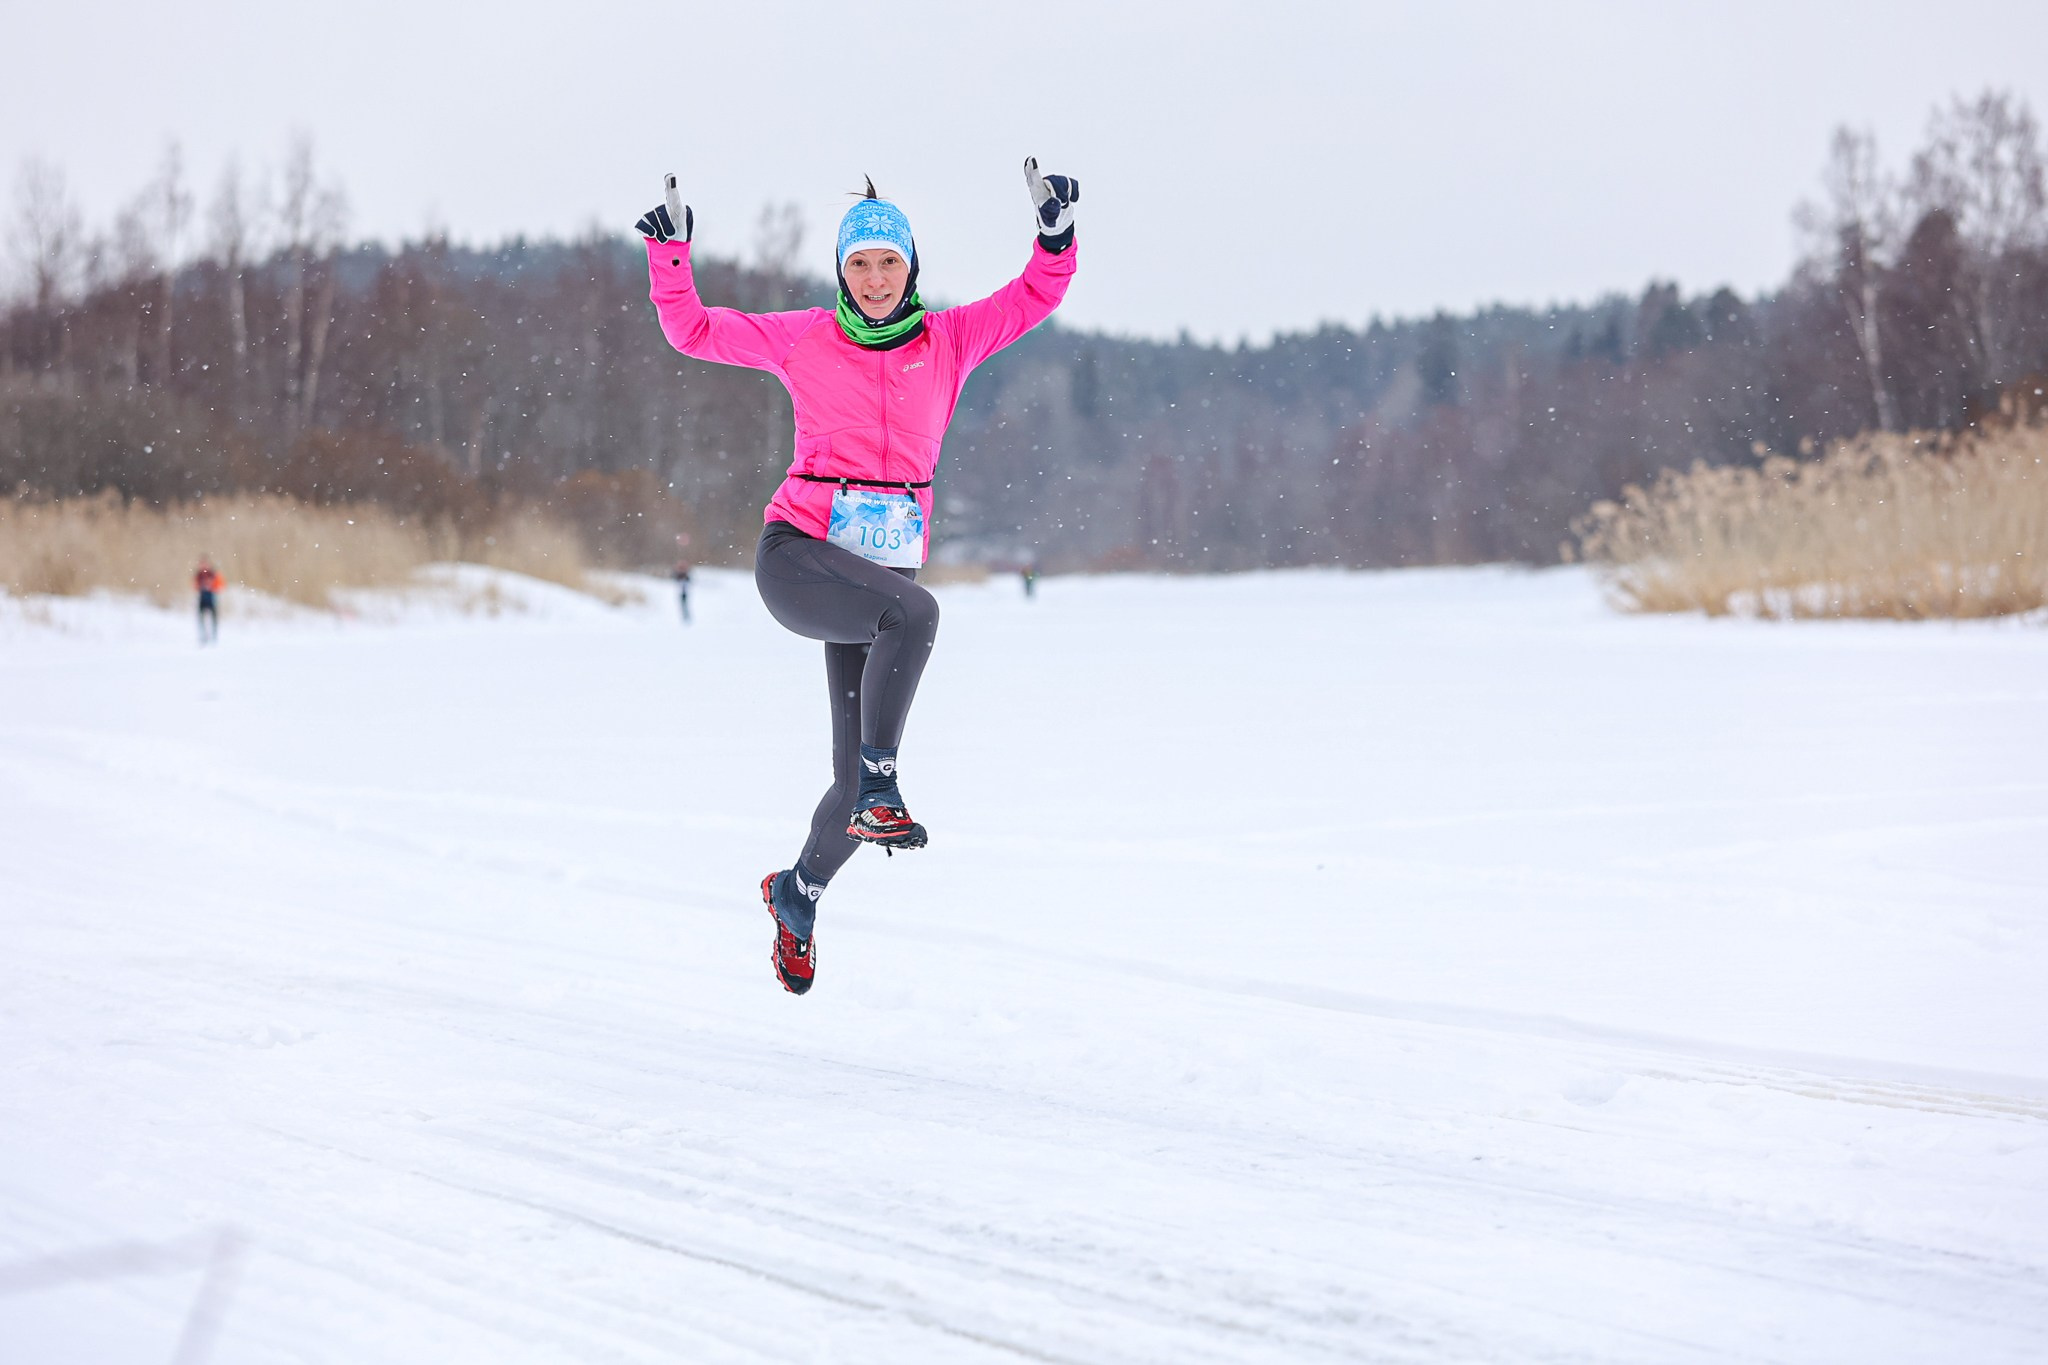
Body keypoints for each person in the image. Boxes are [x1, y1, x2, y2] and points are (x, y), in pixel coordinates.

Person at [637, 159, 1079, 994]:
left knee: (851, 778)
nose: (875, 281)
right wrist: (671, 260)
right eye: (858, 265)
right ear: (840, 273)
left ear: (912, 269)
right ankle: (883, 782)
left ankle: (797, 892)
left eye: (889, 264)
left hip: (873, 588)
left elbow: (1034, 296)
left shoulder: (947, 343)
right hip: (799, 557)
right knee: (915, 618)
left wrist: (1053, 237)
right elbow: (694, 330)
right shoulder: (806, 337)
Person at [194, 556, 223, 645]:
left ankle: (214, 636)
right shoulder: (198, 575)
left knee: (214, 618)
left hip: (211, 598)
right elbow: (195, 586)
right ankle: (203, 636)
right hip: (202, 598)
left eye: (205, 564)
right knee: (201, 618)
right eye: (202, 564)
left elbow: (220, 585)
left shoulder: (213, 574)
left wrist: (212, 586)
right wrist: (201, 587)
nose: (204, 566)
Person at [671, 560, 693, 624]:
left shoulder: (685, 575)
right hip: (681, 592)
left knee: (684, 604)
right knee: (683, 605)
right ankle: (685, 616)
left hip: (684, 592)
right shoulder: (679, 575)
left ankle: (686, 616)